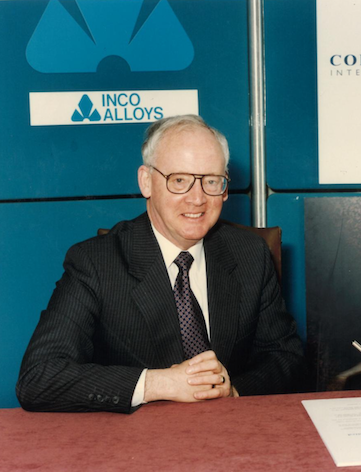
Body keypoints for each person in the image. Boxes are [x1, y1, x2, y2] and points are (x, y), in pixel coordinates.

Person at [16, 114, 304, 413]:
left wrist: (234, 392)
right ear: (146, 182)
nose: (197, 199)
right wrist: (159, 384)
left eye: (211, 181)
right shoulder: (96, 263)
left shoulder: (249, 254)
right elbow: (39, 377)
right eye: (179, 180)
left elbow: (285, 356)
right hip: (136, 447)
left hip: (228, 440)